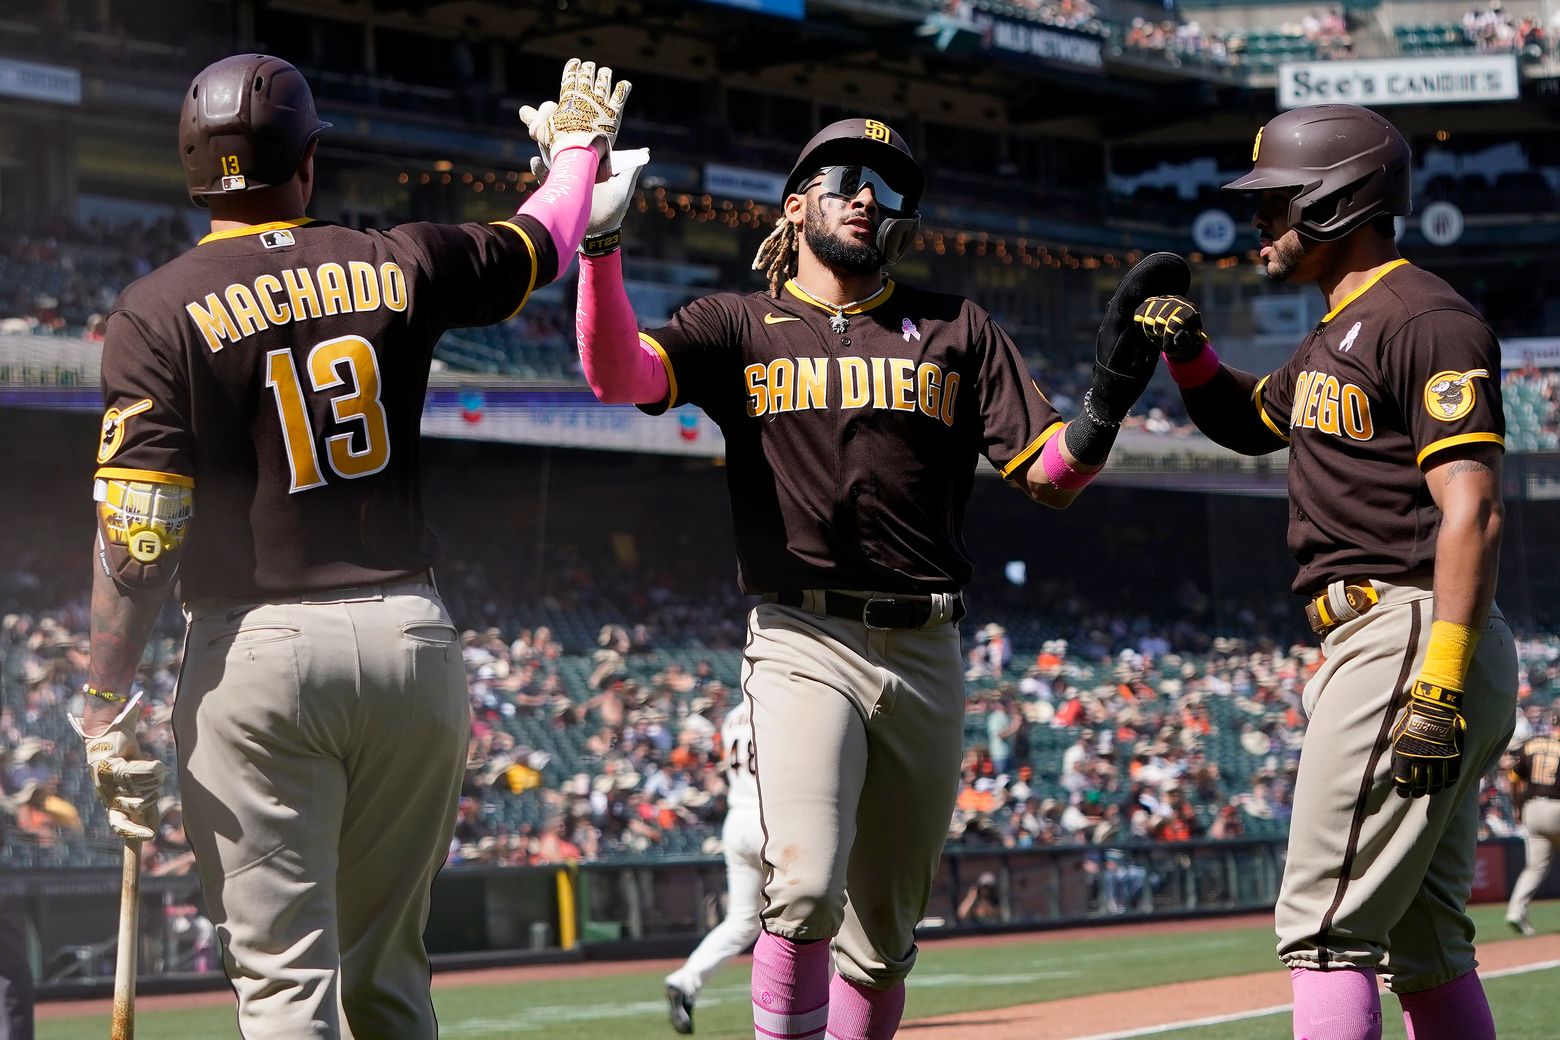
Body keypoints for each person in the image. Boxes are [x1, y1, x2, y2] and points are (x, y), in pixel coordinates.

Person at [523, 107, 1183, 1037]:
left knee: (884, 937)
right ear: (796, 207)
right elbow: (617, 375)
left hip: (928, 647)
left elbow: (1048, 478)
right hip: (803, 636)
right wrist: (599, 245)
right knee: (800, 888)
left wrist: (1107, 403)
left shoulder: (959, 327)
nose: (871, 199)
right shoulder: (737, 323)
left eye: (891, 188)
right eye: (847, 181)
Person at [72, 54, 627, 1038]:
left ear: (192, 165)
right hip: (409, 642)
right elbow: (538, 241)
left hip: (257, 650)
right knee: (386, 978)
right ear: (310, 158)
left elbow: (140, 530)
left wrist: (107, 698)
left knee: (289, 984)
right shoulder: (398, 257)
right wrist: (578, 154)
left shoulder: (155, 309)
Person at [1133, 103, 1517, 1040]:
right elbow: (1248, 422)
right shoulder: (1332, 334)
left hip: (1415, 633)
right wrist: (1191, 359)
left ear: (1341, 202)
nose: (1259, 225)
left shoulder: (1424, 317)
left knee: (1324, 928)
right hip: (1405, 637)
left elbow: (1473, 508)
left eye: (1278, 204)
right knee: (1427, 942)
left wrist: (1436, 685)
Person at [663, 696, 763, 1034]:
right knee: (814, 919)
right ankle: (824, 1010)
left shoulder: (733, 715)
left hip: (738, 820)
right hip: (772, 819)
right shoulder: (783, 699)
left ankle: (685, 980)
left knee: (742, 921)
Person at [1504, 703, 1560, 936]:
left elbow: (1514, 778)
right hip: (1557, 806)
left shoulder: (1532, 743)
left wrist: (1518, 807)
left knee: (1534, 867)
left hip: (1532, 808)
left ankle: (1516, 911)